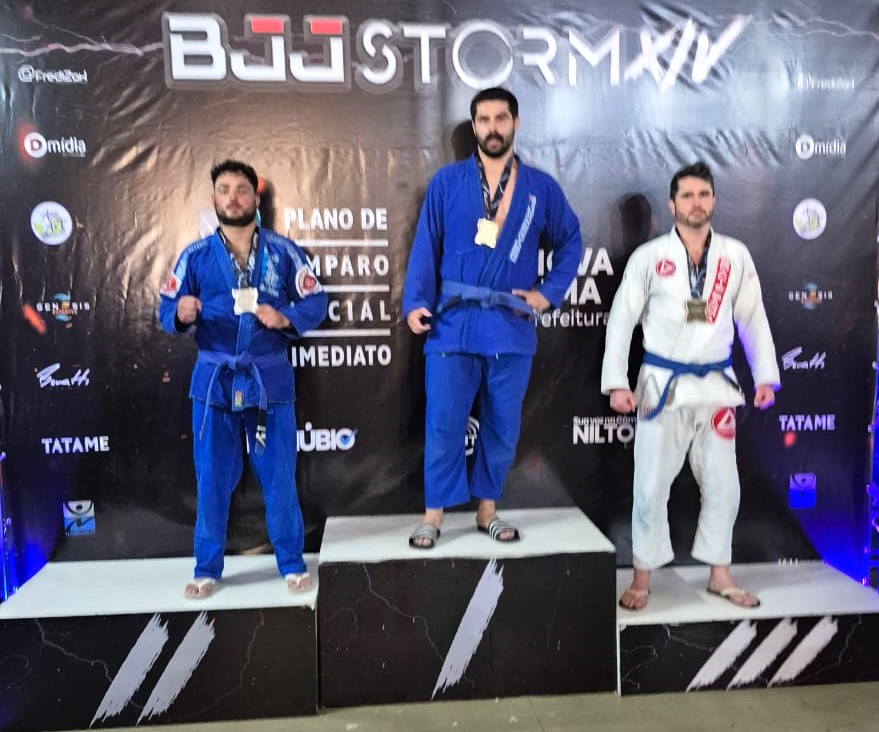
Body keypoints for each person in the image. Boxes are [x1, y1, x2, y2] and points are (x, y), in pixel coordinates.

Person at [403, 88, 582, 549]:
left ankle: (488, 510)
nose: (492, 127)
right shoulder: (447, 183)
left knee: (502, 426)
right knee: (443, 422)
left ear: (515, 123)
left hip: (509, 324)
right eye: (483, 120)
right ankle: (433, 514)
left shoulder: (540, 188)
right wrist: (416, 301)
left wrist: (547, 294)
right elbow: (426, 245)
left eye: (501, 118)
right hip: (453, 323)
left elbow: (570, 242)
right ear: (474, 126)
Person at [601, 161, 780, 610]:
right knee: (650, 485)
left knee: (724, 485)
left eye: (703, 194)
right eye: (687, 196)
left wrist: (765, 375)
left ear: (714, 200)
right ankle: (642, 577)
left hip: (716, 387)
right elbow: (621, 320)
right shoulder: (649, 258)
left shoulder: (734, 256)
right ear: (672, 204)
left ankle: (720, 573)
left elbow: (752, 317)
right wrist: (617, 383)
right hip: (661, 386)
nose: (696, 203)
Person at [158, 159, 327, 598]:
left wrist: (285, 316)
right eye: (224, 189)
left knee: (279, 475)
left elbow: (316, 302)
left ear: (255, 197)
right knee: (212, 476)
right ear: (214, 198)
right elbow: (165, 308)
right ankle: (206, 567)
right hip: (215, 380)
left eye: (241, 189)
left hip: (268, 378)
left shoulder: (284, 252)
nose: (232, 197)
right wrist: (180, 313)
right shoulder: (195, 256)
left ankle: (291, 561)